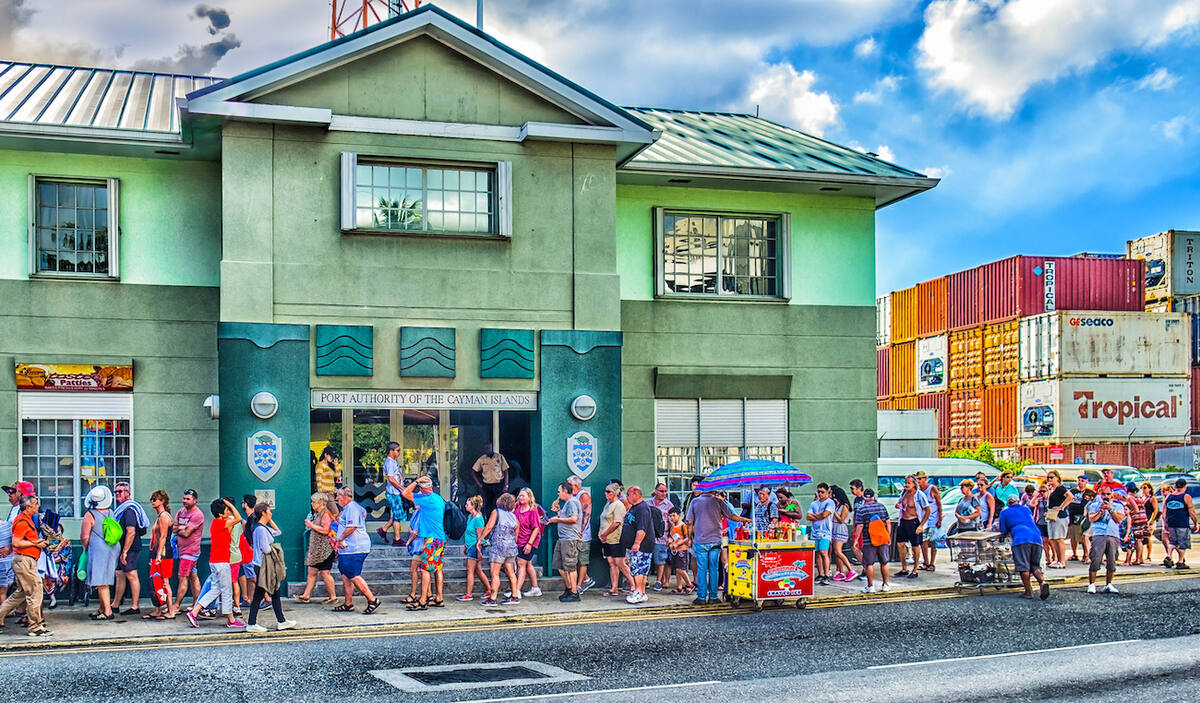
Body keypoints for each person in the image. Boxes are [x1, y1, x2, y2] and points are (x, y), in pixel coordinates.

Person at [187, 498, 246, 629]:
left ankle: (194, 612)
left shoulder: (216, 523)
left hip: (215, 562)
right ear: (221, 514)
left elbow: (233, 521)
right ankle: (231, 620)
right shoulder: (221, 523)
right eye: (226, 510)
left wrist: (226, 507)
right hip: (221, 563)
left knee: (215, 590)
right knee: (226, 591)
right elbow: (238, 518)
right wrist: (229, 503)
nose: (228, 511)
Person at [0, 494, 49, 636]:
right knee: (36, 590)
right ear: (28, 507)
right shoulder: (22, 521)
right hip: (25, 560)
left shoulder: (26, 520)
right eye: (35, 504)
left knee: (19, 595)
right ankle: (35, 627)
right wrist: (35, 543)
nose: (37, 506)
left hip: (25, 560)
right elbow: (16, 542)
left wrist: (39, 542)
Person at [245, 502, 295, 633]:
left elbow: (278, 531)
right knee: (259, 594)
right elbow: (266, 549)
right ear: (263, 513)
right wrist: (275, 547)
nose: (271, 513)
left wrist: (269, 520)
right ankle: (251, 623)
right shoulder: (260, 529)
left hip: (264, 565)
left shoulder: (262, 527)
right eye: (269, 511)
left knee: (275, 592)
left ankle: (281, 621)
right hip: (263, 566)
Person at [400, 475, 446, 609]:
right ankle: (439, 598)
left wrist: (416, 481)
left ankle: (423, 601)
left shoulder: (425, 499)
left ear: (422, 489)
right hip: (440, 538)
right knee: (437, 568)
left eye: (420, 488)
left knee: (425, 570)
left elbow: (405, 493)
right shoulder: (439, 499)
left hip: (431, 539)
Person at [333, 487, 380, 613]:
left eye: (339, 496)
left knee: (353, 575)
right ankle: (348, 604)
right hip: (348, 549)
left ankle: (372, 600)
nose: (337, 498)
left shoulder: (352, 507)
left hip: (354, 548)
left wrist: (340, 539)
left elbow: (352, 526)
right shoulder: (352, 508)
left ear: (346, 496)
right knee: (346, 576)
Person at [996, 495, 1050, 600]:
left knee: (1023, 566)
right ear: (1018, 501)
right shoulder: (1026, 509)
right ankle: (1042, 582)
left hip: (1021, 538)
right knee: (1035, 565)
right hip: (1036, 537)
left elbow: (1003, 529)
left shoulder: (1005, 512)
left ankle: (1028, 592)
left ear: (1008, 503)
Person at [80, 485, 118, 620]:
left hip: (98, 549)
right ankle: (101, 608)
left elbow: (84, 536)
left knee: (101, 582)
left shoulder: (89, 515)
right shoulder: (111, 512)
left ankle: (107, 611)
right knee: (106, 579)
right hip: (112, 548)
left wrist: (86, 548)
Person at [111, 482, 146, 616]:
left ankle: (135, 606)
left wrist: (125, 551)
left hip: (130, 548)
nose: (117, 494)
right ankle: (115, 604)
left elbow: (131, 532)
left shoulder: (129, 510)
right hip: (122, 547)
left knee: (131, 575)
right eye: (116, 492)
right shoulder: (122, 509)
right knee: (119, 575)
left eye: (120, 491)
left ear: (128, 493)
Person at [296, 493, 338, 605]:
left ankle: (333, 596)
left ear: (320, 502)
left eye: (313, 502)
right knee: (312, 571)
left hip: (325, 549)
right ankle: (306, 595)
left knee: (325, 573)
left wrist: (311, 525)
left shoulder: (325, 514)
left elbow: (325, 530)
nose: (312, 503)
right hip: (317, 550)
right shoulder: (318, 514)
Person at [480, 492, 520, 606]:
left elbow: (489, 527)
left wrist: (481, 539)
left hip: (498, 547)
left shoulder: (496, 512)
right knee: (511, 572)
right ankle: (515, 596)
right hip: (511, 547)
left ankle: (492, 599)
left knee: (495, 573)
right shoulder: (514, 516)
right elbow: (516, 533)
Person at [1086, 484, 1126, 594]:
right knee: (1096, 559)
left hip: (1113, 534)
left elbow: (1119, 520)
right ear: (1100, 494)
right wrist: (1100, 511)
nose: (1106, 496)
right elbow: (1091, 519)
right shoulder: (1094, 505)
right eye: (1103, 494)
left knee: (1111, 560)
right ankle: (1092, 584)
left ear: (1112, 494)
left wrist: (1110, 509)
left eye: (1108, 494)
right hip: (1099, 534)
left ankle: (1109, 584)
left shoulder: (1118, 506)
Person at [547, 482, 582, 602]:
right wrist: (559, 511)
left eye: (559, 491)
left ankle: (574, 592)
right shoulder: (568, 503)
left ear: (565, 491)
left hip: (570, 538)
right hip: (563, 538)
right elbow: (567, 517)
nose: (558, 493)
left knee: (570, 566)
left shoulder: (572, 502)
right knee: (560, 565)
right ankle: (568, 589)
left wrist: (556, 519)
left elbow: (574, 519)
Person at [620, 485, 655, 604]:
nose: (627, 497)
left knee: (638, 569)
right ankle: (642, 592)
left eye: (628, 494)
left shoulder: (642, 508)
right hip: (636, 545)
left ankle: (639, 592)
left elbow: (642, 529)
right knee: (640, 568)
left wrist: (636, 543)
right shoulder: (635, 507)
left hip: (642, 545)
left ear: (635, 494)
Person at [852, 488, 891, 593]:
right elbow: (888, 522)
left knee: (869, 564)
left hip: (868, 540)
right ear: (873, 497)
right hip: (882, 539)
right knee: (884, 562)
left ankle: (870, 586)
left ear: (864, 497)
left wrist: (856, 540)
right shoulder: (881, 507)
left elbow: (860, 526)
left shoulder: (862, 509)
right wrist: (889, 536)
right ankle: (885, 585)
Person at [172, 489, 204, 613]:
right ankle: (197, 604)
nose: (185, 501)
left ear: (195, 500)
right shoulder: (181, 511)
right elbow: (174, 528)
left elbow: (186, 533)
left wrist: (181, 529)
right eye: (184, 498)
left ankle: (176, 605)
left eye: (188, 499)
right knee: (193, 576)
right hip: (182, 550)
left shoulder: (197, 514)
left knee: (182, 577)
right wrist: (181, 527)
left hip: (190, 552)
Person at [146, 490, 176, 620]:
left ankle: (171, 610)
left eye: (156, 499)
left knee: (164, 581)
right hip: (157, 552)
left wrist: (158, 555)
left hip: (163, 553)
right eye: (152, 499)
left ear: (162, 501)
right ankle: (158, 609)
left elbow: (163, 537)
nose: (153, 501)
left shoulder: (164, 516)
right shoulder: (160, 516)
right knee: (156, 581)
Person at [894, 474, 931, 578]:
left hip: (914, 521)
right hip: (903, 521)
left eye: (909, 483)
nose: (906, 485)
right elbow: (900, 504)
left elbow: (927, 510)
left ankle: (915, 569)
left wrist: (921, 525)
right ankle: (904, 568)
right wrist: (898, 505)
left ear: (914, 484)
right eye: (905, 482)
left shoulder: (920, 495)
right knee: (900, 544)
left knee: (915, 546)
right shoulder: (904, 494)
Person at [598, 483, 630, 597]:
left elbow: (617, 522)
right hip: (607, 539)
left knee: (620, 563)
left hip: (616, 537)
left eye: (609, 491)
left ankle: (633, 585)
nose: (606, 494)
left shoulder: (619, 505)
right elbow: (603, 520)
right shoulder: (608, 504)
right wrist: (601, 534)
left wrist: (605, 533)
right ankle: (614, 587)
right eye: (606, 491)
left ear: (615, 493)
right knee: (611, 563)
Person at [564, 476, 595, 593]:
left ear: (575, 485)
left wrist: (581, 532)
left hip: (582, 535)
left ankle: (579, 585)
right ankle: (586, 579)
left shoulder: (583, 496)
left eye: (569, 484)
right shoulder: (572, 497)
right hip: (573, 533)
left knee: (582, 560)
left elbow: (586, 515)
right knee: (575, 560)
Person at [512, 487, 544, 598]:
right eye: (520, 495)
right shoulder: (517, 507)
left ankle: (516, 591)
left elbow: (536, 528)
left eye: (523, 496)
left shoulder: (533, 510)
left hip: (529, 541)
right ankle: (535, 588)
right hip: (519, 540)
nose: (521, 498)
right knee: (528, 563)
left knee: (521, 564)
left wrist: (529, 544)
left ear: (529, 497)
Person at [458, 495, 489, 602]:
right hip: (470, 546)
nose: (465, 506)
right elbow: (469, 533)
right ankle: (489, 590)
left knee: (470, 571)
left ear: (473, 506)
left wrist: (478, 550)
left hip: (475, 547)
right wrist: (466, 546)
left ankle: (468, 594)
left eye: (468, 504)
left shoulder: (478, 519)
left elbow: (480, 536)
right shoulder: (470, 517)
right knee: (478, 570)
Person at [1162, 478, 1196, 570]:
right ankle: (1180, 562)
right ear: (1185, 487)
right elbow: (1191, 511)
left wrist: (1166, 523)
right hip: (1182, 523)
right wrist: (1196, 522)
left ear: (1175, 486)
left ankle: (1168, 556)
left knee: (1173, 541)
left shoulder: (1169, 497)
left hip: (1171, 523)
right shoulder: (1186, 496)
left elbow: (1164, 512)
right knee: (1182, 543)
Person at [376, 442, 405, 546]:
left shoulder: (393, 461)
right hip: (393, 492)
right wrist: (402, 488)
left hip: (395, 492)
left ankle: (383, 530)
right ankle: (397, 539)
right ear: (391, 451)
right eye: (398, 450)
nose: (399, 453)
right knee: (397, 516)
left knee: (397, 514)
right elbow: (391, 478)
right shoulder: (390, 462)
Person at [806, 483, 836, 586]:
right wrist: (819, 516)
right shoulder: (814, 504)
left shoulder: (830, 503)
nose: (820, 494)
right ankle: (821, 574)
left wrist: (815, 516)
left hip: (825, 532)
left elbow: (825, 515)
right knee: (817, 553)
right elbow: (808, 516)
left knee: (824, 552)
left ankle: (826, 575)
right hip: (815, 532)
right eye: (818, 491)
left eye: (822, 492)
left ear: (828, 492)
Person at [647, 483, 674, 592]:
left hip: (662, 535)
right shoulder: (647, 503)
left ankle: (659, 581)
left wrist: (671, 537)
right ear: (656, 491)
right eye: (661, 491)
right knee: (646, 558)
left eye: (665, 491)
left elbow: (672, 523)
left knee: (660, 559)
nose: (664, 494)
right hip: (648, 535)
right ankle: (645, 580)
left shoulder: (669, 505)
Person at [471, 443, 510, 517]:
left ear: (492, 448)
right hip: (487, 485)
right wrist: (479, 484)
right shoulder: (482, 459)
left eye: (489, 448)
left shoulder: (499, 457)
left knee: (498, 505)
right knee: (487, 506)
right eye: (485, 449)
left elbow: (506, 471)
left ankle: (497, 522)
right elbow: (473, 471)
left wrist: (506, 485)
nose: (487, 450)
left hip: (498, 484)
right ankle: (489, 522)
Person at [915, 471, 943, 572]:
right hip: (923, 520)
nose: (918, 481)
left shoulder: (932, 488)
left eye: (920, 479)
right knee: (923, 541)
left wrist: (939, 518)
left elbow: (939, 503)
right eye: (917, 479)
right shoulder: (918, 491)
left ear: (925, 479)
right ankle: (926, 562)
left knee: (933, 541)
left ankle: (932, 563)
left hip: (933, 518)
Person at [1044, 471, 1072, 569]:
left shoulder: (1061, 488)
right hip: (1052, 516)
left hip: (1060, 516)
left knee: (1059, 539)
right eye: (1048, 478)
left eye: (1051, 477)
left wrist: (1062, 507)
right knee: (1053, 539)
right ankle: (1057, 559)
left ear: (1057, 478)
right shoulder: (1052, 489)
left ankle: (1062, 561)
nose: (1050, 479)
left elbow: (1070, 497)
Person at [829, 485, 856, 582]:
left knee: (838, 552)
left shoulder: (845, 506)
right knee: (836, 553)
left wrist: (834, 511)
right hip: (834, 529)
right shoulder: (837, 505)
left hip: (840, 529)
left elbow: (841, 520)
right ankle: (841, 571)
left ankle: (851, 570)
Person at [666, 507, 693, 593]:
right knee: (677, 569)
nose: (672, 518)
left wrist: (678, 543)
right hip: (674, 551)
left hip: (682, 550)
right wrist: (670, 542)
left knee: (680, 569)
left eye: (674, 515)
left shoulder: (683, 526)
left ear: (679, 515)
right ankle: (679, 587)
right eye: (670, 516)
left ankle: (689, 584)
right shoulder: (673, 528)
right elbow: (671, 537)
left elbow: (687, 538)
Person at [239, 494, 258, 607]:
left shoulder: (252, 519)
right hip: (248, 552)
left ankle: (255, 599)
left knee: (252, 578)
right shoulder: (252, 518)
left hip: (250, 553)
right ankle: (250, 599)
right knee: (251, 578)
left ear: (245, 504)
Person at [1067, 475, 1090, 561]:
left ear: (1086, 482)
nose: (1080, 482)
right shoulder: (1072, 491)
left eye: (1082, 480)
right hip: (1073, 515)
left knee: (1083, 536)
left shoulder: (1089, 492)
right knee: (1073, 536)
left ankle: (1086, 554)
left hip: (1083, 516)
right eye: (1079, 480)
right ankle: (1074, 554)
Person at [1140, 482, 1159, 564]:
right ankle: (1140, 556)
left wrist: (1151, 519)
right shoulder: (1142, 498)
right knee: (1141, 538)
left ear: (1149, 488)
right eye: (1142, 488)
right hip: (1142, 520)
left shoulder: (1152, 498)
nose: (1143, 490)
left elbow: (1155, 510)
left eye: (1145, 488)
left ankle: (1148, 555)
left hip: (1149, 519)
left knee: (1148, 537)